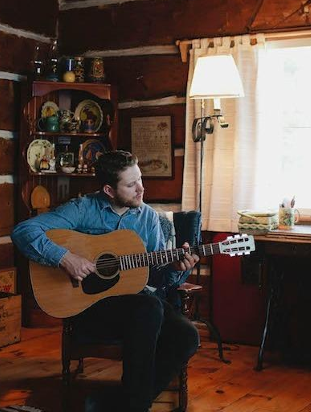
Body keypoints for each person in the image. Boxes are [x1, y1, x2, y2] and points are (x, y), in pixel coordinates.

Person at [11, 150, 200, 412]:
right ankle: (134, 407)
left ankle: (119, 404)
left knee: (187, 335)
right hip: (91, 306)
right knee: (149, 308)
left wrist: (176, 268)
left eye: (140, 180)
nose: (141, 189)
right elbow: (24, 230)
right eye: (131, 184)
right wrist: (65, 258)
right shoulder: (83, 209)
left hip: (140, 305)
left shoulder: (148, 217)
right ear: (109, 190)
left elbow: (155, 274)